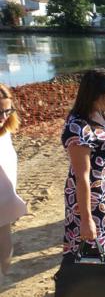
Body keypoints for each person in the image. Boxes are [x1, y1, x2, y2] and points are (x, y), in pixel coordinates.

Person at [60, 69, 105, 260]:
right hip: (89, 200)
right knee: (86, 253)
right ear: (93, 96)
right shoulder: (78, 128)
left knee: (101, 249)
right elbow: (81, 177)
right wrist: (86, 219)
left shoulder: (100, 113)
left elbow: (101, 140)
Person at [0, 84, 26, 284]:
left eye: (7, 110)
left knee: (5, 246)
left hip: (4, 204)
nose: (4, 117)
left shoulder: (5, 133)